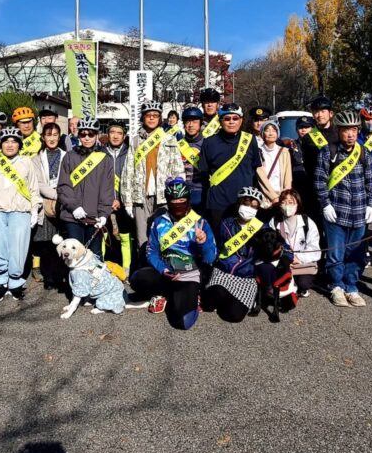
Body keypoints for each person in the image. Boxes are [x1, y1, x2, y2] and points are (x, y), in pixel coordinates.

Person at [132, 178, 216, 330]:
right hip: (166, 273)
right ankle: (168, 294)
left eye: (182, 200)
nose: (178, 204)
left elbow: (210, 258)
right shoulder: (159, 222)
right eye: (174, 201)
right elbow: (151, 253)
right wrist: (163, 270)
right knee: (137, 279)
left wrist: (203, 243)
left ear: (189, 200)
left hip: (189, 276)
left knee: (182, 322)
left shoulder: (200, 223)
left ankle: (190, 297)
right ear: (168, 201)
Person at [315, 110, 372, 308]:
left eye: (353, 130)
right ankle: (336, 286)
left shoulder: (364, 152)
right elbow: (319, 181)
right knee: (335, 253)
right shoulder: (328, 152)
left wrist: (371, 204)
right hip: (336, 213)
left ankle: (351, 286)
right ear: (338, 131)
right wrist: (325, 204)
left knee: (356, 253)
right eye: (345, 130)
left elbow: (371, 180)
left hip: (359, 212)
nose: (350, 134)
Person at [0, 127, 42, 301]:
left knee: (18, 247)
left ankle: (16, 282)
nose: (10, 145)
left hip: (20, 211)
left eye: (14, 142)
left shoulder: (27, 162)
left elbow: (34, 188)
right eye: (6, 142)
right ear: (0, 144)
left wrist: (34, 209)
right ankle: (1, 282)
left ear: (19, 145)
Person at [121, 101, 185, 249]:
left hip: (163, 197)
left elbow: (177, 169)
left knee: (163, 237)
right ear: (143, 118)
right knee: (142, 240)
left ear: (160, 118)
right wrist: (128, 201)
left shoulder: (169, 139)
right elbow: (128, 170)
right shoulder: (135, 141)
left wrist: (177, 196)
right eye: (148, 115)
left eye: (155, 115)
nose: (151, 118)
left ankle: (163, 270)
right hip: (140, 197)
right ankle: (144, 270)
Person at [206, 186, 268, 321]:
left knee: (234, 316)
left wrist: (287, 255)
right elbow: (215, 246)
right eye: (245, 204)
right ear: (238, 203)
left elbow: (280, 245)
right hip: (224, 271)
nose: (249, 208)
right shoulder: (226, 223)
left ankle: (236, 301)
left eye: (254, 206)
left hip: (246, 276)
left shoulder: (263, 228)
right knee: (211, 300)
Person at [197, 103, 259, 232]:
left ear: (241, 120)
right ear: (220, 121)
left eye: (235, 118)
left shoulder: (250, 140)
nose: (231, 122)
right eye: (227, 118)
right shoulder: (209, 142)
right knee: (219, 242)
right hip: (218, 203)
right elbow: (204, 173)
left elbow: (256, 170)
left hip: (244, 203)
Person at [57, 115, 115, 248]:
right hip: (72, 216)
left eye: (91, 134)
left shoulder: (105, 159)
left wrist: (104, 214)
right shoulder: (69, 157)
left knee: (94, 256)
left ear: (96, 135)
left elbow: (107, 189)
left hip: (95, 218)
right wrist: (74, 207)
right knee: (74, 257)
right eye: (83, 134)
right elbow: (63, 186)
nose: (87, 138)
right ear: (79, 135)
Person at [32, 121, 68, 291]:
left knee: (62, 242)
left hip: (63, 203)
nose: (52, 138)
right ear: (42, 137)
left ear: (59, 137)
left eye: (55, 135)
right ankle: (49, 277)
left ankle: (61, 275)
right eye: (48, 135)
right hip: (45, 202)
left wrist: (62, 196)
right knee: (46, 243)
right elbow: (38, 183)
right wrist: (56, 195)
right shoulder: (36, 159)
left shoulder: (67, 156)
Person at [269, 189, 321, 297]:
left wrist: (298, 258)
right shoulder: (274, 222)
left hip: (302, 264)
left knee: (304, 283)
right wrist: (287, 258)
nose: (287, 205)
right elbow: (270, 246)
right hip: (282, 262)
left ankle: (299, 287)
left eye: (291, 202)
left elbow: (315, 250)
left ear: (297, 204)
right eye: (284, 202)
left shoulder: (308, 223)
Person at [300, 96, 339, 222]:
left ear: (330, 113)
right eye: (316, 112)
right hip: (316, 187)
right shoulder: (308, 138)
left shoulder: (339, 134)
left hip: (338, 185)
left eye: (323, 111)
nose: (319, 115)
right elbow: (307, 164)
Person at [103, 122, 133, 269]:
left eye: (119, 133)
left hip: (125, 201)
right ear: (107, 134)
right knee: (103, 234)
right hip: (104, 201)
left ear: (124, 136)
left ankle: (126, 267)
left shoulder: (130, 152)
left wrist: (122, 199)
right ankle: (102, 265)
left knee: (125, 235)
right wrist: (109, 199)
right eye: (112, 132)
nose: (115, 136)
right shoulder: (99, 152)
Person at [256, 118, 291, 207]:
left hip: (281, 196)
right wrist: (274, 197)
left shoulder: (284, 151)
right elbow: (260, 176)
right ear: (263, 133)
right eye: (267, 130)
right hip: (264, 196)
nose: (271, 133)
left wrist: (286, 195)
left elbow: (288, 176)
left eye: (274, 131)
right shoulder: (258, 152)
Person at [177, 107, 206, 210]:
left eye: (194, 121)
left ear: (200, 123)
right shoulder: (177, 145)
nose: (191, 125)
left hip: (202, 191)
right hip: (181, 192)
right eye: (188, 121)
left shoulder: (207, 143)